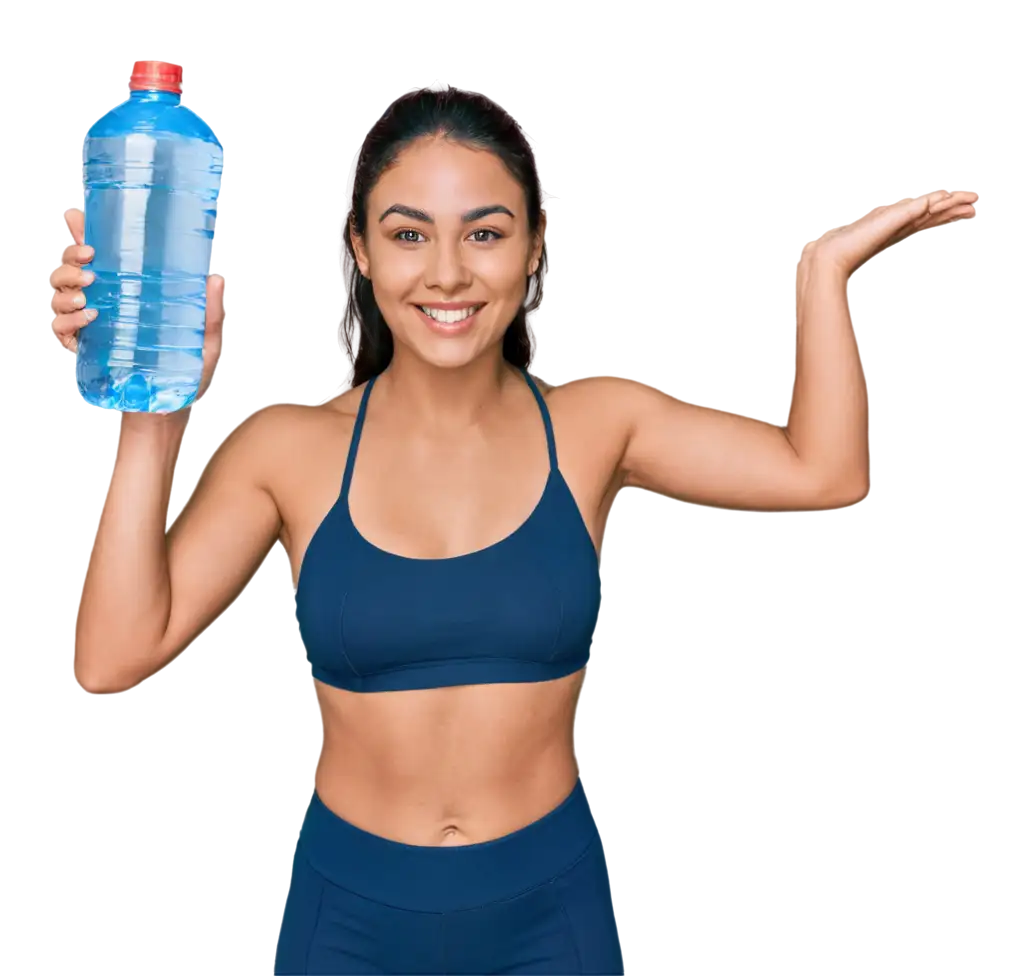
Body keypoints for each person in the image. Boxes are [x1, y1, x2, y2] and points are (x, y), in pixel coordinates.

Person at [45, 77, 977, 975]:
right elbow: (111, 658)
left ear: (533, 248)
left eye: (484, 234)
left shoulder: (597, 424)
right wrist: (152, 412)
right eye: (408, 234)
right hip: (351, 921)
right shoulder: (286, 448)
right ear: (362, 252)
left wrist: (821, 273)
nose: (447, 273)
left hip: (546, 913)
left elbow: (824, 473)